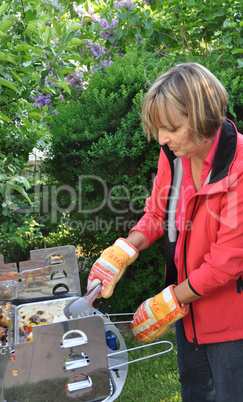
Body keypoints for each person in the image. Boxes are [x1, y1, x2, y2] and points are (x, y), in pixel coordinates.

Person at [87, 62, 243, 401]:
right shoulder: (174, 156)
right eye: (157, 128)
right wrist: (124, 251)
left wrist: (167, 301)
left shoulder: (241, 169)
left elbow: (226, 263)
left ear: (202, 117)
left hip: (234, 326)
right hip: (189, 318)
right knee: (194, 392)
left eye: (170, 127)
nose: (162, 138)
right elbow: (159, 212)